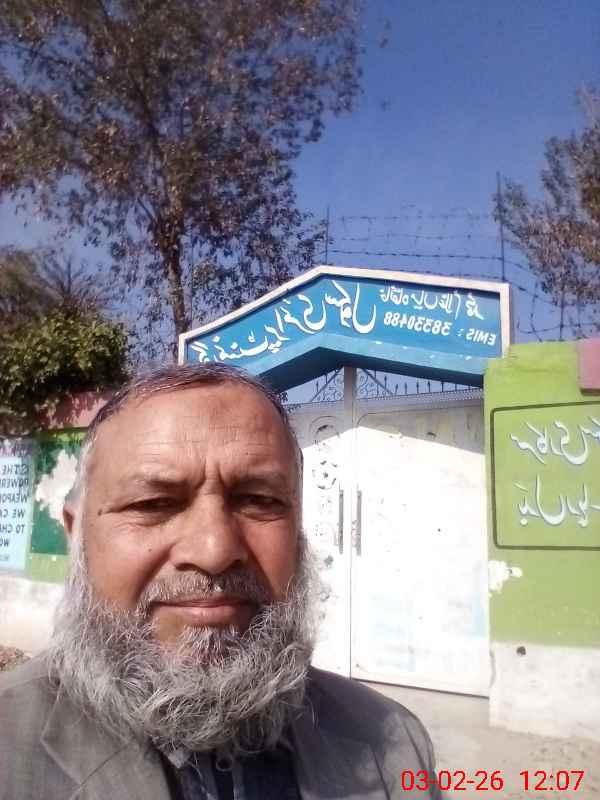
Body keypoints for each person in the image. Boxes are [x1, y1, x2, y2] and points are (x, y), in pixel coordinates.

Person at [0, 363, 441, 800]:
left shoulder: (394, 747)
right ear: (76, 535)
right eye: (153, 504)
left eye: (258, 500)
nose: (214, 551)